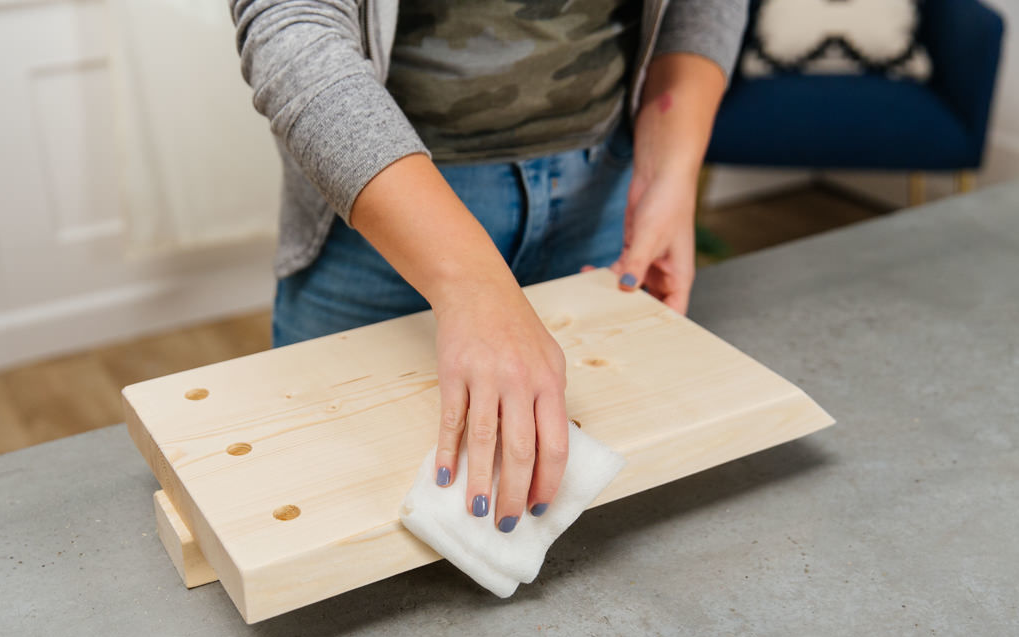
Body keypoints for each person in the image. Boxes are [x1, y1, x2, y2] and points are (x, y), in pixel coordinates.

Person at [232, 0, 746, 533]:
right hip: (386, 205)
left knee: (615, 522)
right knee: (322, 509)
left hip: (604, 185)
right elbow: (290, 23)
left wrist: (672, 161)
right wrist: (472, 284)